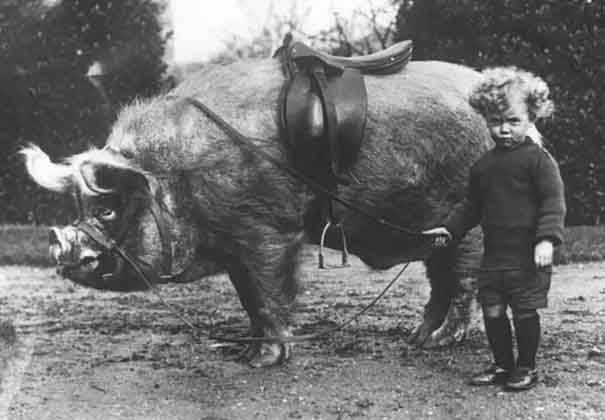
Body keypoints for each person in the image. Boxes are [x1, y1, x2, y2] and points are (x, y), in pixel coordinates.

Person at [423, 66, 566, 391]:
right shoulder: (483, 166)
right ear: (485, 119)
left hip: (527, 257)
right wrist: (449, 229)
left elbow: (553, 203)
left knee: (524, 312)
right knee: (493, 310)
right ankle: (502, 364)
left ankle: (526, 366)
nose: (503, 129)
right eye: (495, 121)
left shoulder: (539, 162)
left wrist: (546, 240)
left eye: (513, 121)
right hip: (493, 258)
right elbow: (470, 206)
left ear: (531, 118)